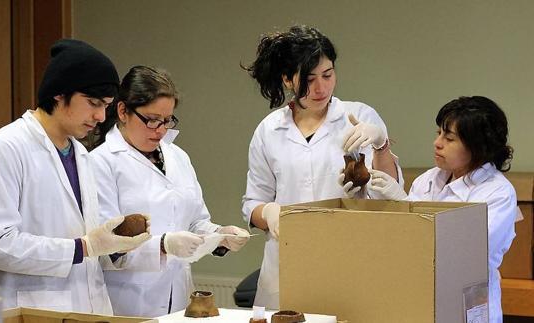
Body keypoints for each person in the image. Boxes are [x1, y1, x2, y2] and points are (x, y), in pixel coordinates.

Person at [0, 39, 151, 314]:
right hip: (31, 311)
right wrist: (82, 248)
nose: (101, 116)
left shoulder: (81, 155)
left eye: (106, 106)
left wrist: (114, 245)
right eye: (93, 103)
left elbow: (86, 244)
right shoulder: (3, 149)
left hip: (88, 309)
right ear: (58, 93)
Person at [241, 25, 401, 309]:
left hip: (350, 257)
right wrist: (271, 213)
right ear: (288, 80)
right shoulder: (269, 130)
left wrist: (380, 144)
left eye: (328, 75)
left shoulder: (359, 116)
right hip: (287, 259)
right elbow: (253, 204)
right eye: (309, 79)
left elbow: (391, 193)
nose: (321, 88)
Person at [90, 65, 250, 317]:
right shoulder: (101, 162)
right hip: (128, 303)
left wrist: (220, 235)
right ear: (122, 111)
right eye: (152, 120)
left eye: (167, 120)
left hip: (179, 298)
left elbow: (196, 220)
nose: (161, 130)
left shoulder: (178, 157)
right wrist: (163, 246)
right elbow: (107, 247)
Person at [368, 96, 516, 323]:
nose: (437, 143)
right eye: (438, 133)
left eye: (449, 138)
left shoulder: (497, 193)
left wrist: (406, 205)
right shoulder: (430, 179)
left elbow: (463, 253)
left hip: (465, 301)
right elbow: (403, 239)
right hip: (419, 294)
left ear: (477, 146)